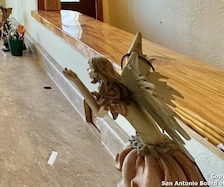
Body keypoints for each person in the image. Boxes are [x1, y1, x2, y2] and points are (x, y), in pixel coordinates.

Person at [63, 33, 205, 187]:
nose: (87, 71)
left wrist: (77, 81)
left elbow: (99, 113)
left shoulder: (114, 95)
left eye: (89, 68)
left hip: (153, 144)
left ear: (98, 71)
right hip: (147, 139)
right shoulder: (119, 90)